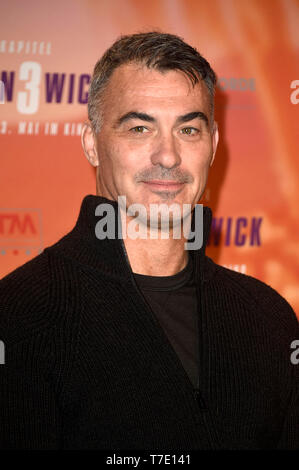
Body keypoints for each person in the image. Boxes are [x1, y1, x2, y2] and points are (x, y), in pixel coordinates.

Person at [0, 31, 298, 450]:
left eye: (189, 130)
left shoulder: (268, 318)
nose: (168, 155)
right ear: (92, 144)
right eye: (140, 128)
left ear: (213, 146)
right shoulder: (19, 316)